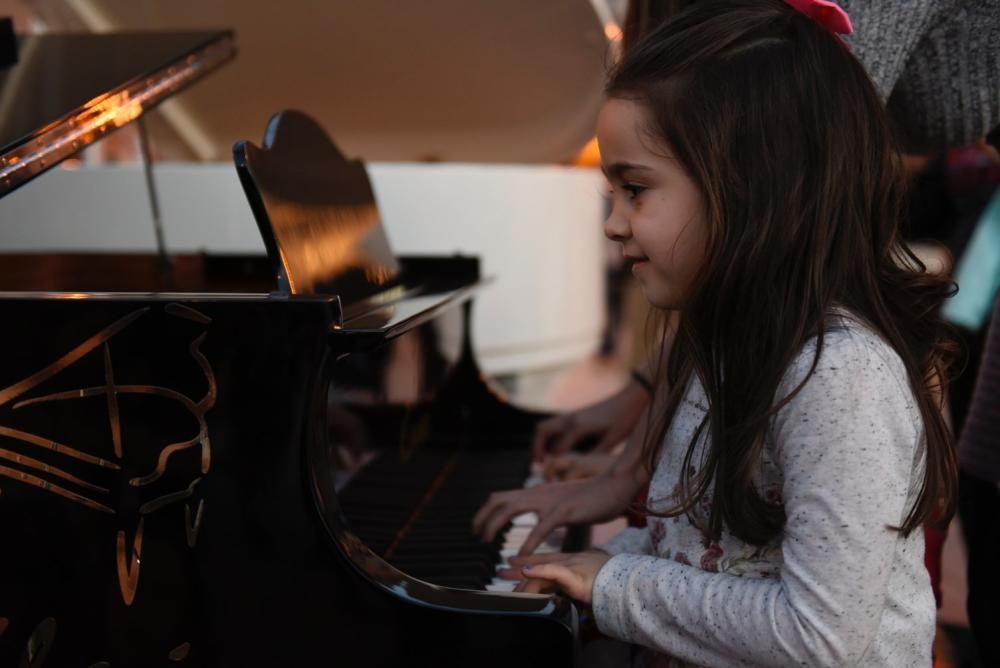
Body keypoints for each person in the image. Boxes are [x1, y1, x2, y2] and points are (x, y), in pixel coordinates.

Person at [476, 1, 960, 664]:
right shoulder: (725, 352)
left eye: (635, 189)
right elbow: (707, 552)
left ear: (749, 190)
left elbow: (822, 638)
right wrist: (596, 562)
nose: (613, 223)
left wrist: (616, 583)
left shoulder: (840, 381)